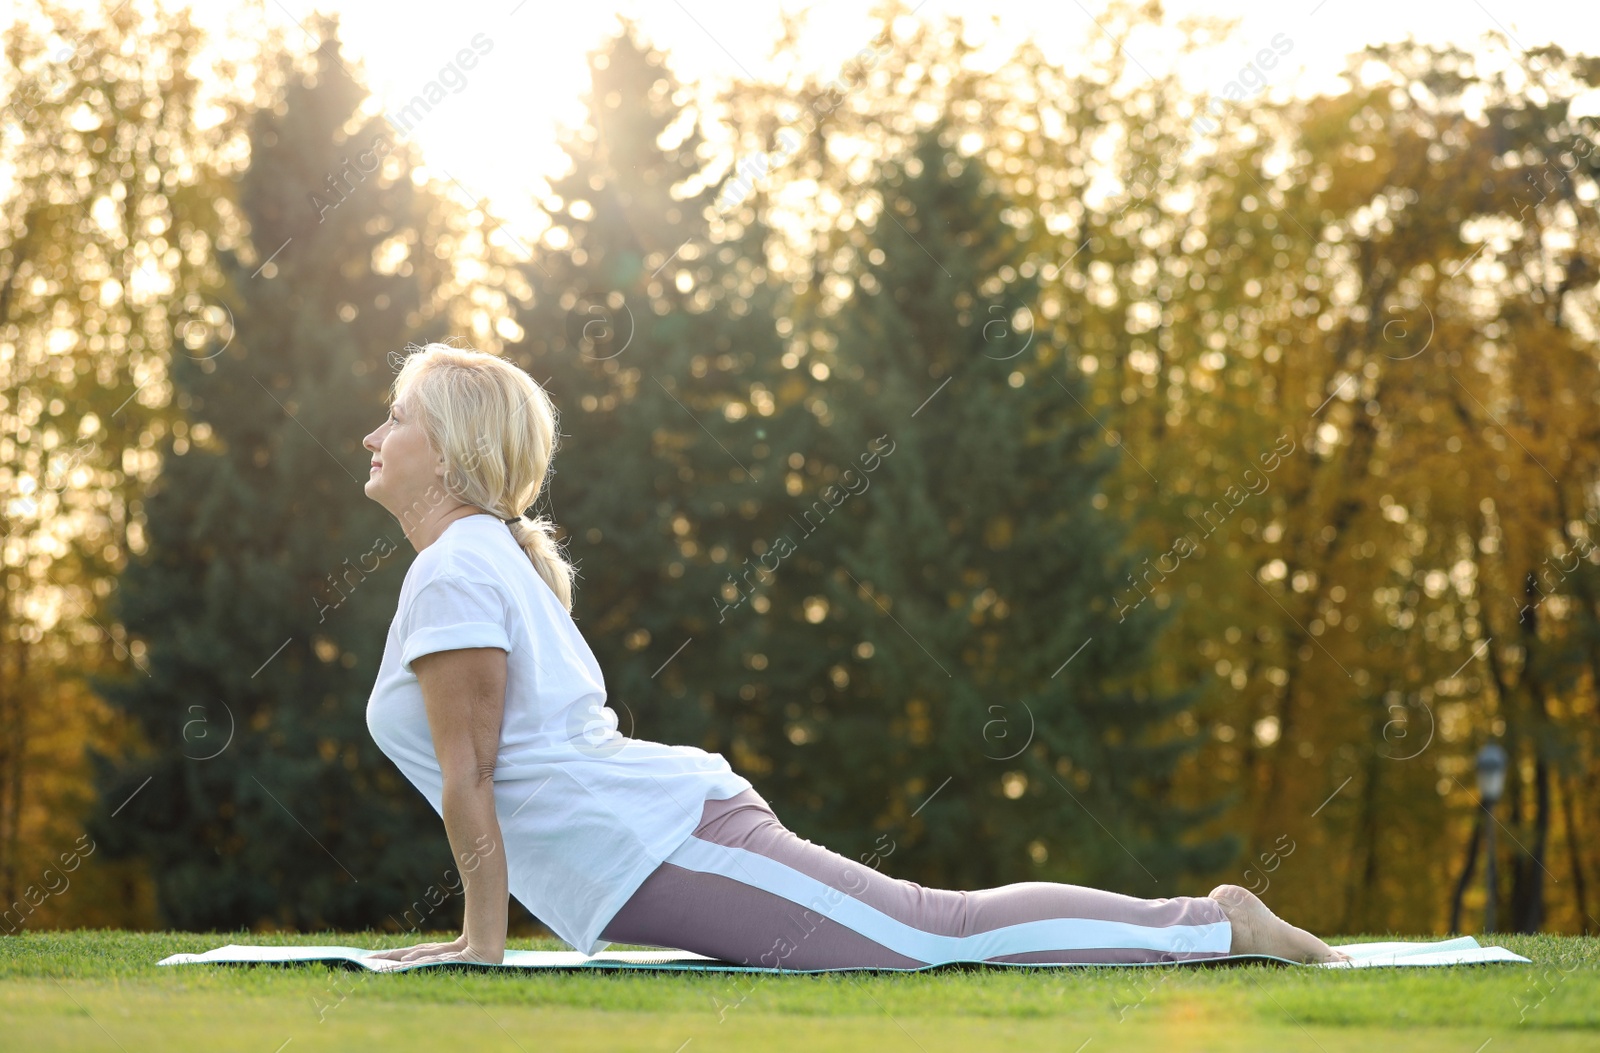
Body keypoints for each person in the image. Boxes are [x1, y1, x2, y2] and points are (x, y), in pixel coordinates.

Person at [359, 342, 1348, 970]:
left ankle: (1216, 924)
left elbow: (471, 778)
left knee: (930, 931)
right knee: (932, 925)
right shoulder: (473, 561)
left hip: (664, 840)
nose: (374, 432)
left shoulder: (457, 570)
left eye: (396, 416)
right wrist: (480, 934)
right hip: (650, 846)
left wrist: (480, 944)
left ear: (448, 454)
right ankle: (1208, 922)